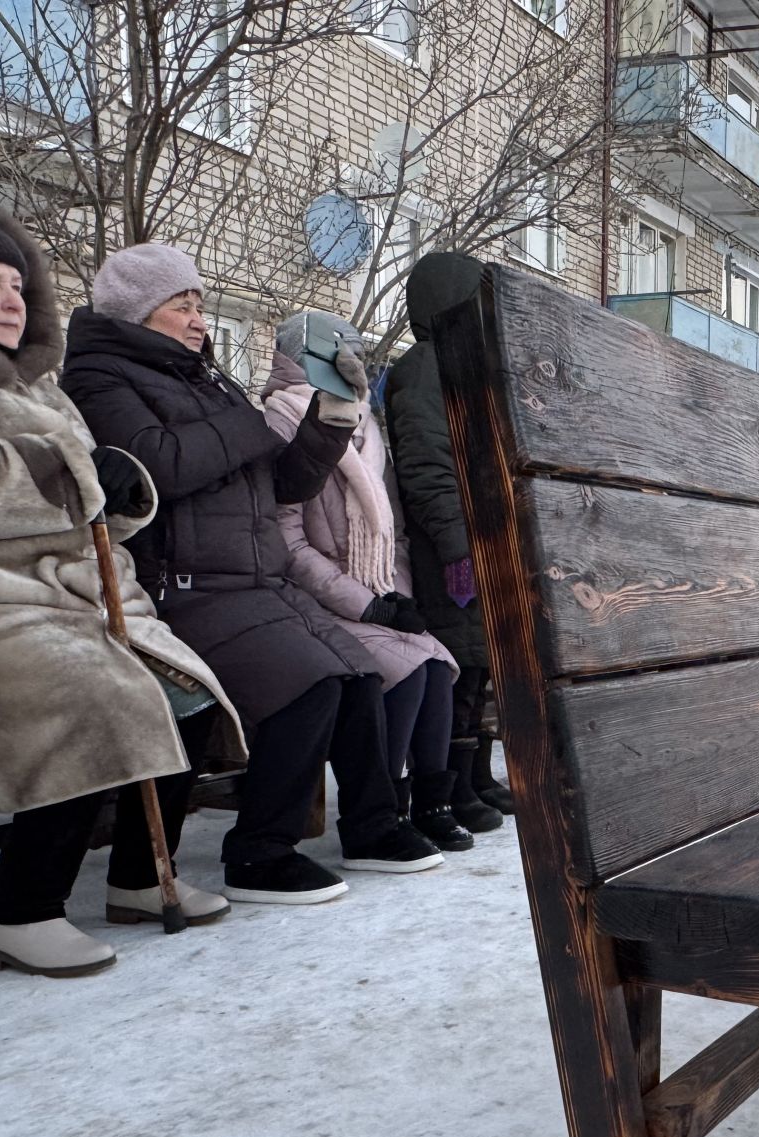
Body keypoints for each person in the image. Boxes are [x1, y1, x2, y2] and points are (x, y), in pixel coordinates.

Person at [0, 190, 245, 977]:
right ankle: (21, 913)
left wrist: (118, 495)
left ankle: (136, 878)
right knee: (95, 696)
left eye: (20, 284)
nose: (12, 298)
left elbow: (85, 501)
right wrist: (72, 475)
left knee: (187, 693)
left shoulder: (37, 388)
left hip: (51, 593)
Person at [61, 244, 443, 905]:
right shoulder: (101, 378)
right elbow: (160, 465)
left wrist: (333, 414)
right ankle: (261, 851)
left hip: (257, 581)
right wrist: (246, 426)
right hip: (182, 586)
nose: (199, 319)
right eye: (182, 305)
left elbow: (283, 483)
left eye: (201, 304)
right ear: (137, 311)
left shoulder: (205, 382)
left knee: (356, 672)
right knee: (310, 682)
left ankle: (374, 826)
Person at [263, 311, 490, 851]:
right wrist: (369, 607)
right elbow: (289, 544)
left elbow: (396, 532)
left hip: (377, 589)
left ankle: (431, 803)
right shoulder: (280, 417)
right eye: (335, 347)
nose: (350, 356)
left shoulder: (367, 421)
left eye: (355, 347)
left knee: (439, 664)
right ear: (300, 355)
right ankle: (383, 809)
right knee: (407, 670)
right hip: (318, 597)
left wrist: (396, 598)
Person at [383, 253, 512, 831]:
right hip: (450, 548)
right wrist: (461, 547)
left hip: (482, 534)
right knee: (460, 659)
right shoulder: (424, 369)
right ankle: (451, 788)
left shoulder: (468, 364)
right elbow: (427, 465)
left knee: (484, 661)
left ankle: (477, 775)